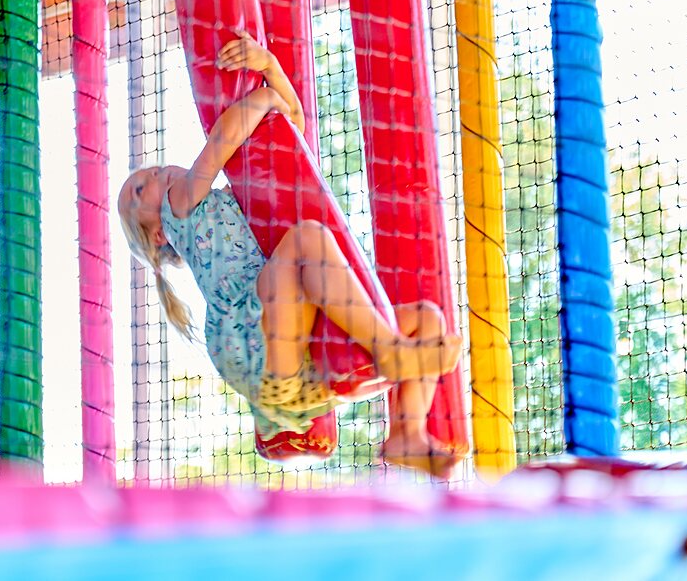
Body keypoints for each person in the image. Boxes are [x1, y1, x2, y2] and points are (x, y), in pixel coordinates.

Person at [118, 32, 461, 477]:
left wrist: (270, 67)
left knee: (428, 319)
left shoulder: (227, 202)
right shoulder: (180, 206)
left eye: (142, 174)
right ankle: (390, 350)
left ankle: (407, 433)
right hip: (253, 344)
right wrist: (261, 94)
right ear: (159, 234)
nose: (149, 173)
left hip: (293, 363)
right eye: (139, 189)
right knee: (306, 240)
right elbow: (225, 138)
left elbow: (288, 135)